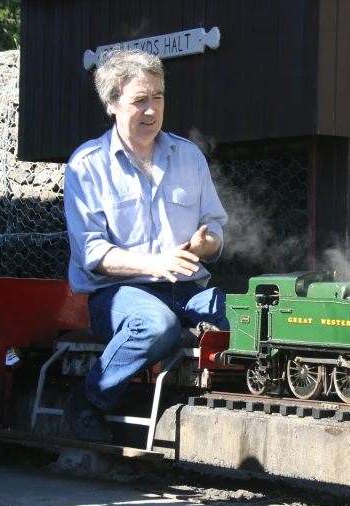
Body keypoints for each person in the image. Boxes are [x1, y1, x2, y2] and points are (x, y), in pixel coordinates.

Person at [63, 49, 229, 443]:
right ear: (111, 104)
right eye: (139, 100)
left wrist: (205, 246)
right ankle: (87, 401)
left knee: (243, 319)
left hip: (187, 287)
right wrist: (155, 264)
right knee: (157, 325)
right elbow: (92, 254)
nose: (151, 110)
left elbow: (217, 232)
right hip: (115, 294)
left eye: (157, 97)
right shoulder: (86, 166)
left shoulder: (189, 157)